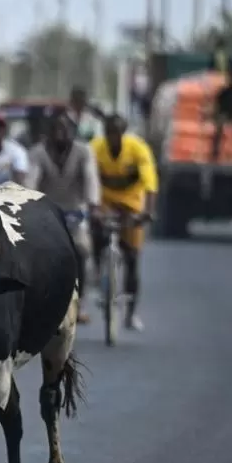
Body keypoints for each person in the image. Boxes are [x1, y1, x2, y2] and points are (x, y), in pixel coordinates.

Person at [26, 110, 100, 323]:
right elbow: (32, 179)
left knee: (81, 249)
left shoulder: (84, 151)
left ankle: (82, 301)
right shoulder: (37, 153)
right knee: (36, 253)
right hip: (47, 212)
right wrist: (29, 202)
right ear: (48, 131)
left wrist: (93, 205)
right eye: (56, 128)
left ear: (72, 131)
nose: (60, 132)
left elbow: (90, 179)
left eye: (64, 128)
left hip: (75, 210)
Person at [89, 114, 158, 332]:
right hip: (105, 202)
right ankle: (99, 271)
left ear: (123, 132)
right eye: (109, 133)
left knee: (132, 257)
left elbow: (150, 183)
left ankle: (131, 313)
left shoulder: (138, 148)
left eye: (116, 133)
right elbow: (87, 177)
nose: (112, 138)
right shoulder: (95, 148)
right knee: (96, 236)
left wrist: (148, 212)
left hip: (131, 204)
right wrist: (90, 208)